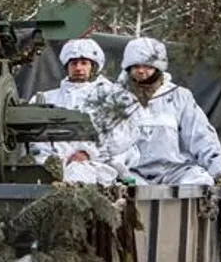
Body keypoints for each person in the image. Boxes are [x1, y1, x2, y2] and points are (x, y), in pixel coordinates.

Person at [117, 36, 221, 186]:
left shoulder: (179, 97)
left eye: (147, 66)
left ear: (158, 67)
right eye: (136, 66)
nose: (141, 71)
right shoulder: (114, 97)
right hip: (131, 173)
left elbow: (201, 136)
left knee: (200, 181)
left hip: (174, 171)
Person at [29, 38, 139, 185]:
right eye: (73, 63)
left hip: (99, 169)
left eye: (84, 63)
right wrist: (56, 160)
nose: (78, 68)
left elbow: (123, 137)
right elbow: (34, 139)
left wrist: (87, 153)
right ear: (66, 66)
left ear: (93, 66)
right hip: (50, 170)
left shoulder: (112, 96)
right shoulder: (45, 98)